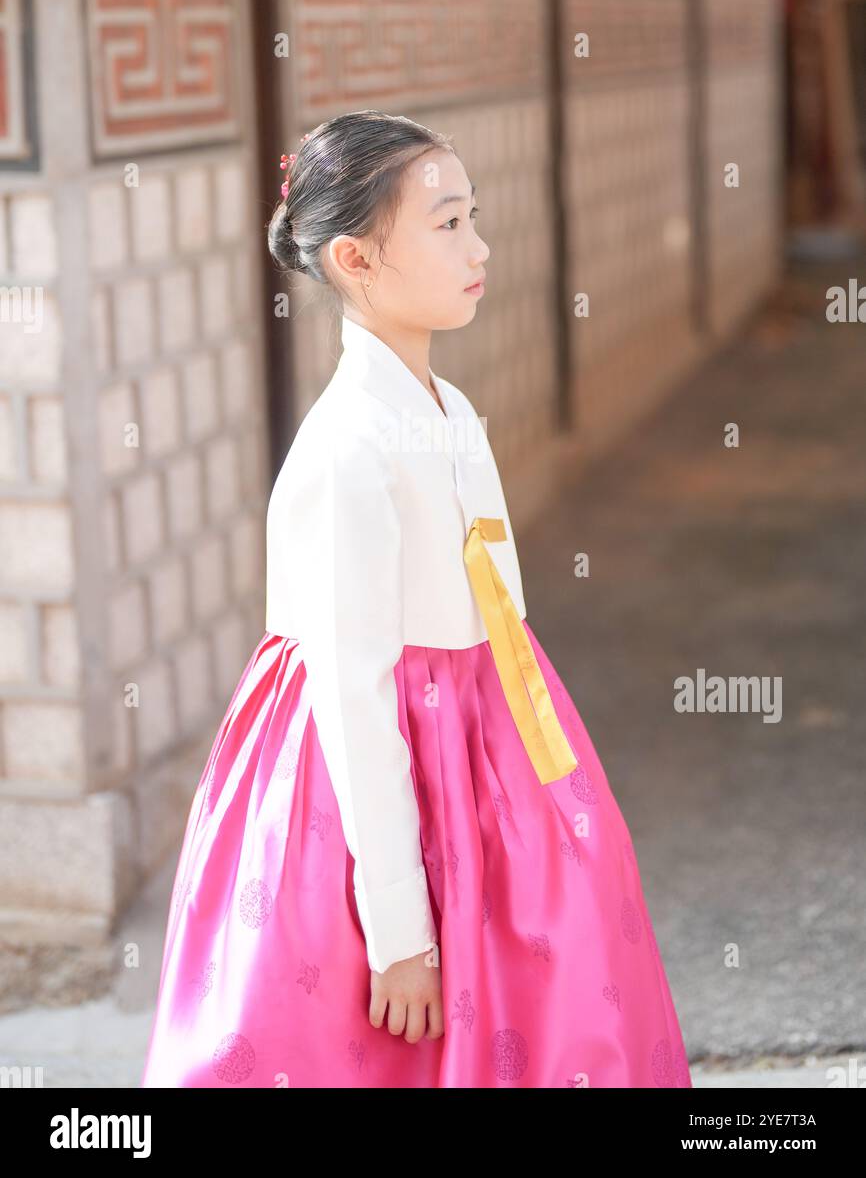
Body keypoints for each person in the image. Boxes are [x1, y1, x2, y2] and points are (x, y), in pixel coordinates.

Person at [140, 109, 691, 1089]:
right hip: (381, 773)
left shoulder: (448, 413)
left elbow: (489, 618)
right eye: (444, 224)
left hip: (481, 739)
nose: (478, 246)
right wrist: (399, 930)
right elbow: (354, 696)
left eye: (471, 217)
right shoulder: (350, 449)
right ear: (355, 257)